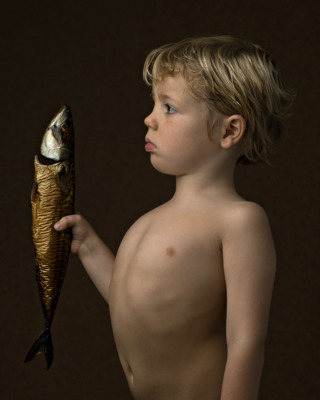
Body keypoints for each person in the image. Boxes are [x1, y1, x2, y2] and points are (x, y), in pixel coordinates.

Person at [54, 36, 294, 400]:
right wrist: (88, 247)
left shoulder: (239, 220)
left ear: (229, 130)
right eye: (154, 104)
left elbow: (246, 340)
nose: (149, 118)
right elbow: (133, 303)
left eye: (169, 108)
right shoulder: (151, 220)